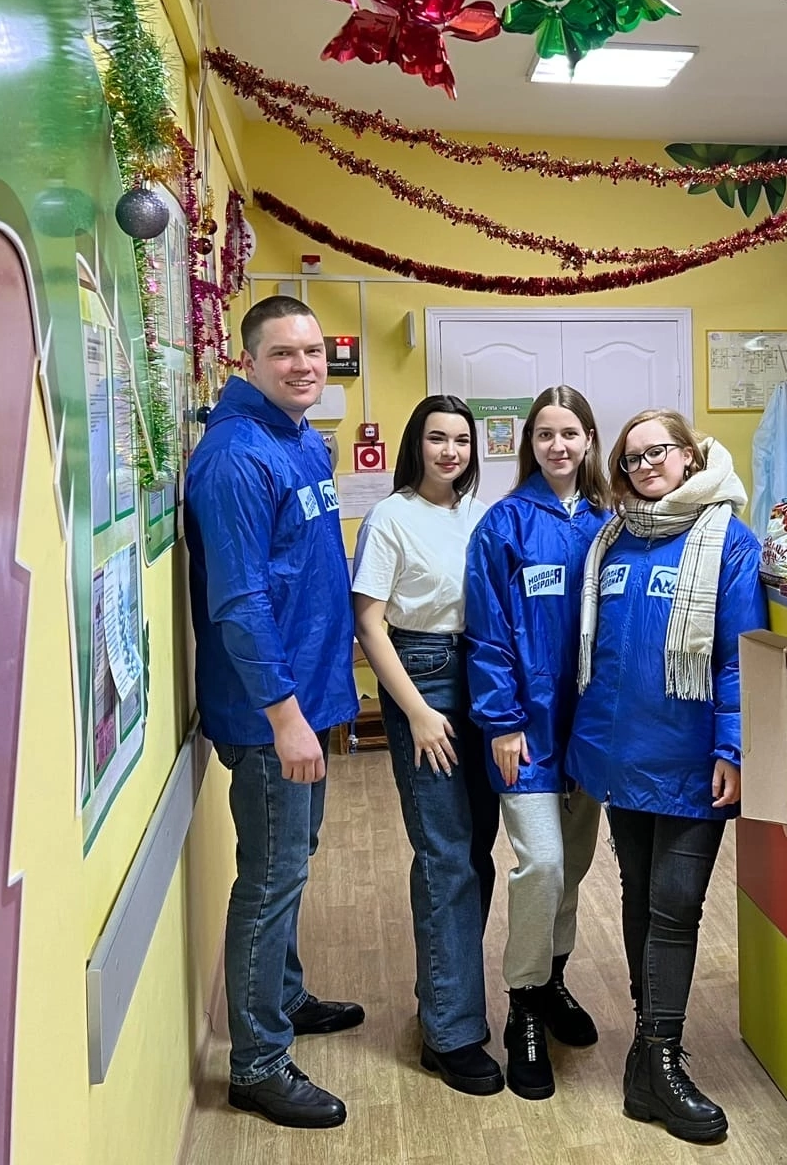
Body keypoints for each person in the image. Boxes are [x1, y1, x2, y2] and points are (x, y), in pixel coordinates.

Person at [184, 295, 364, 1131]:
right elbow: (241, 602)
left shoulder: (301, 441)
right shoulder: (234, 457)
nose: (303, 365)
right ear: (248, 361)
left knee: (293, 861)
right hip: (269, 716)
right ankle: (256, 1063)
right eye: (284, 353)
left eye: (313, 351)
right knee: (269, 878)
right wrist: (285, 716)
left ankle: (284, 997)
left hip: (307, 698)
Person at [565, 410, 766, 1145]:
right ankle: (650, 1055)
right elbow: (597, 653)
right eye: (632, 457)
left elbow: (740, 655)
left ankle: (657, 1058)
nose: (646, 464)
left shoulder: (728, 541)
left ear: (690, 456)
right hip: (623, 755)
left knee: (677, 906)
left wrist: (732, 749)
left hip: (690, 759)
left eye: (659, 451)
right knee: (641, 898)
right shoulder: (613, 538)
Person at [464, 387, 611, 1100]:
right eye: (545, 434)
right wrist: (502, 721)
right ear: (530, 443)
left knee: (572, 866)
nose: (558, 445)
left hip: (590, 733)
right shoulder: (504, 525)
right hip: (525, 729)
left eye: (570, 433)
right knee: (542, 863)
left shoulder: (612, 525)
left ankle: (553, 979)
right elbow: (487, 631)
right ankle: (523, 1003)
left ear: (589, 441)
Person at [352, 396, 500, 1095]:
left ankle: (444, 997)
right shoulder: (391, 517)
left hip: (481, 675)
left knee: (477, 853)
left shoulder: (478, 513)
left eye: (461, 441)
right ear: (417, 444)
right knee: (446, 856)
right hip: (424, 678)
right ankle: (451, 1033)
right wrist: (415, 713)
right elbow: (369, 624)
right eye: (438, 439)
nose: (450, 452)